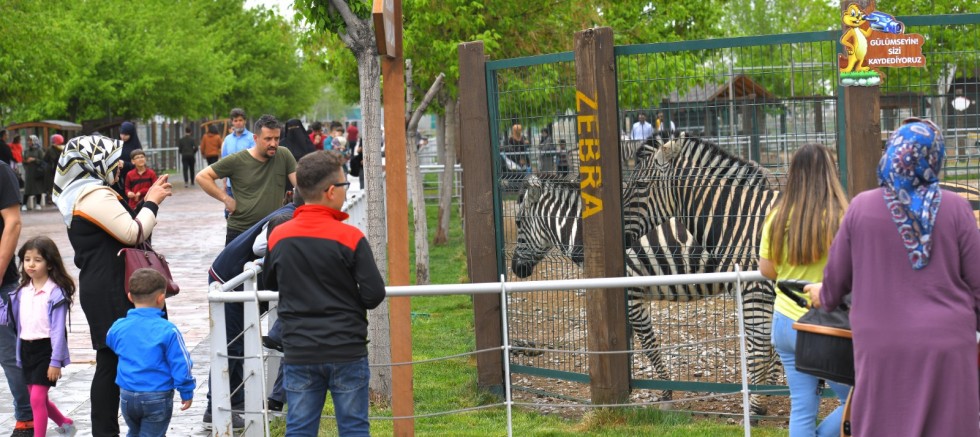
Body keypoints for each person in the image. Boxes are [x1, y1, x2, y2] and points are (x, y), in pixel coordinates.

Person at [808, 118, 980, 437]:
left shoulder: (861, 208)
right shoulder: (957, 209)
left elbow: (833, 288)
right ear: (935, 158)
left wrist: (822, 292)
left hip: (882, 347)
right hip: (948, 347)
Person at [53, 134, 173, 437]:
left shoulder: (86, 193)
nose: (119, 164)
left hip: (107, 283)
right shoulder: (93, 195)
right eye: (112, 157)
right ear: (93, 161)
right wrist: (152, 202)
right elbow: (132, 232)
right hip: (110, 286)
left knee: (112, 358)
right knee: (110, 361)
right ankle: (106, 431)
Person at [265, 151, 385, 436]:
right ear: (331, 191)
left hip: (299, 349)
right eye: (344, 186)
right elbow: (374, 294)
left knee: (300, 428)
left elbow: (269, 283)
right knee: (354, 427)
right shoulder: (350, 237)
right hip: (346, 347)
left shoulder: (279, 236)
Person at [758, 144, 850, 437]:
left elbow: (767, 270)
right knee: (858, 399)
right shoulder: (841, 217)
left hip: (785, 321)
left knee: (801, 405)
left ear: (794, 174)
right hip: (827, 326)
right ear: (830, 173)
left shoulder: (776, 217)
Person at [203, 197, 302, 427]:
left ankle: (235, 402)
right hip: (229, 281)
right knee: (230, 345)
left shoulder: (291, 213)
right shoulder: (287, 218)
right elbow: (259, 246)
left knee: (238, 343)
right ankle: (214, 409)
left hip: (236, 278)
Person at [0, 237, 77, 437]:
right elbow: (6, 318)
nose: (31, 264)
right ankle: (65, 422)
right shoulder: (20, 292)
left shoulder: (55, 293)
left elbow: (59, 331)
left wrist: (55, 361)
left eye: (37, 260)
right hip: (26, 350)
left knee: (35, 399)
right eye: (27, 259)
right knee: (38, 399)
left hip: (47, 351)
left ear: (50, 264)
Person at [106, 269, 195, 437]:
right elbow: (181, 363)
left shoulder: (118, 326)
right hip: (157, 396)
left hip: (127, 395)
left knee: (134, 431)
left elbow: (110, 341)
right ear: (161, 298)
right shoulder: (168, 330)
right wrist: (186, 390)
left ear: (130, 297)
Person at [196, 114, 297, 245]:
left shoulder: (284, 155)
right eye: (268, 139)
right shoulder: (237, 160)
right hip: (241, 231)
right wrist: (226, 199)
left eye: (277, 138)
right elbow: (202, 177)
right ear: (255, 138)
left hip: (271, 229)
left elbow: (300, 185)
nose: (273, 143)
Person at [0, 163, 32, 437]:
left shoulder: (0, 171)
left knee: (10, 353)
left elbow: (13, 221)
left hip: (1, 282)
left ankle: (27, 417)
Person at [220, 108, 256, 209]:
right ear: (232, 122)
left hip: (247, 184)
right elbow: (224, 163)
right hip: (230, 185)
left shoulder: (252, 138)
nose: (238, 123)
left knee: (247, 211)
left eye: (240, 120)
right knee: (229, 212)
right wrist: (224, 183)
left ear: (245, 121)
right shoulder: (227, 140)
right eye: (235, 121)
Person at [118, 122, 142, 196]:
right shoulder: (118, 144)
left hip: (132, 180)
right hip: (119, 179)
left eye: (126, 135)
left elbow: (139, 164)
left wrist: (125, 164)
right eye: (122, 134)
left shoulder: (136, 147)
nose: (123, 137)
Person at [21, 136, 45, 211]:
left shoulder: (39, 150)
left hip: (37, 172)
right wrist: (26, 162)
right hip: (29, 172)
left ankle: (38, 204)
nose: (29, 142)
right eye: (28, 141)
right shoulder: (26, 151)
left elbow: (42, 161)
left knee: (38, 188)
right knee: (27, 188)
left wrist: (34, 159)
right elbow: (23, 160)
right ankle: (24, 204)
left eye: (30, 141)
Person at [43, 135, 64, 206]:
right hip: (61, 170)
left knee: (51, 185)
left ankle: (51, 199)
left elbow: (45, 159)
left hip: (51, 170)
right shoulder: (63, 148)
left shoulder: (50, 149)